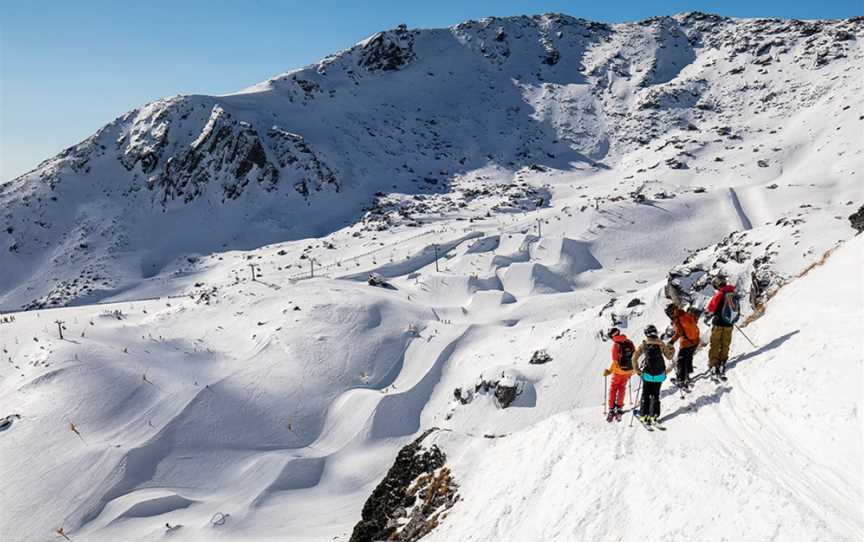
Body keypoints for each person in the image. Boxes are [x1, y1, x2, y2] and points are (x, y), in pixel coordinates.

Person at [634, 325, 674, 425]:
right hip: (659, 375)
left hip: (647, 375)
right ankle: (654, 416)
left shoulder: (644, 344)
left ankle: (644, 415)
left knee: (646, 395)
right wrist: (672, 348)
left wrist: (638, 371)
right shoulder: (661, 344)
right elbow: (669, 357)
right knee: (655, 395)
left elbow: (633, 358)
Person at [705, 274, 739, 381]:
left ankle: (713, 363)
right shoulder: (732, 293)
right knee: (725, 343)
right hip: (729, 324)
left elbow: (711, 308)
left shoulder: (720, 294)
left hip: (718, 323)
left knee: (715, 343)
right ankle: (723, 360)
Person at [664, 303, 701, 390]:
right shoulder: (684, 313)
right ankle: (687, 376)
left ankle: (681, 379)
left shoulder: (677, 319)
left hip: (686, 342)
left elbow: (679, 333)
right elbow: (694, 320)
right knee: (688, 358)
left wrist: (671, 341)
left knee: (681, 360)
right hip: (695, 340)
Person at [602, 327, 635, 422]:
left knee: (613, 389)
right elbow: (634, 355)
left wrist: (609, 371)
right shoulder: (629, 341)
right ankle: (619, 407)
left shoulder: (615, 346)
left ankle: (612, 408)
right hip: (628, 371)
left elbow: (615, 362)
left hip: (618, 372)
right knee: (622, 388)